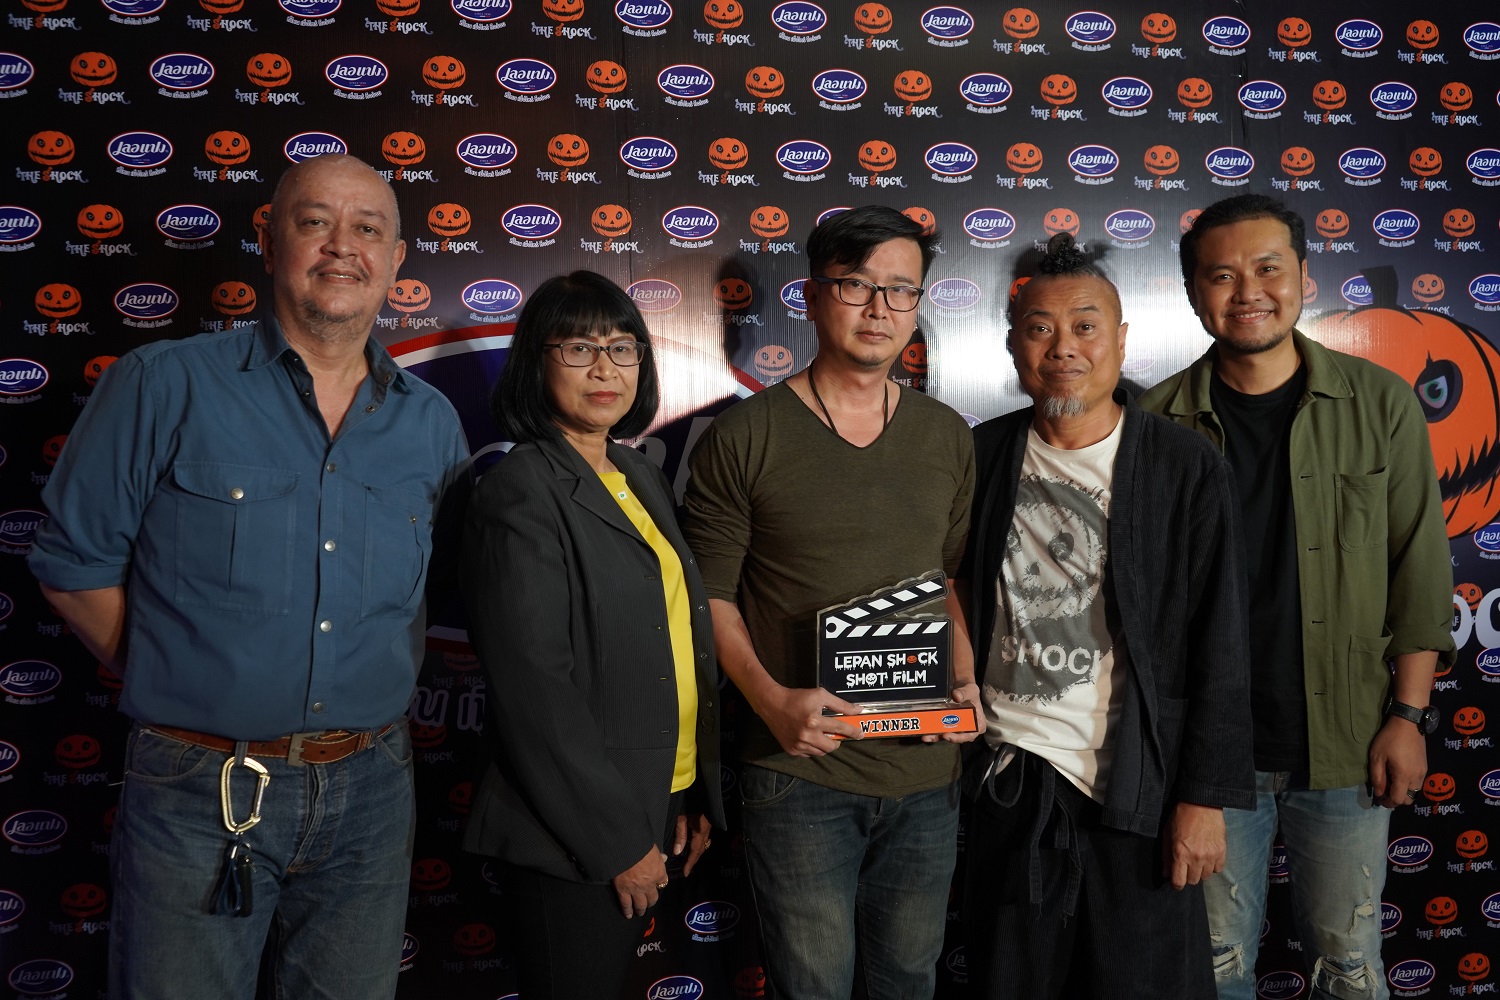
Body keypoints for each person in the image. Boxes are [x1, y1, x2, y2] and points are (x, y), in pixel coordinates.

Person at [27, 154, 470, 999]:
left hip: (373, 789)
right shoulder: (163, 384)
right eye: (315, 222)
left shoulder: (431, 422)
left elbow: (431, 591)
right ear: (269, 244)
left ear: (396, 260)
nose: (342, 247)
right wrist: (186, 680)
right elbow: (72, 569)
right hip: (197, 790)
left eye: (367, 229)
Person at [1140, 194, 1456, 1000]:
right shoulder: (1153, 423)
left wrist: (1409, 716)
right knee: (1213, 972)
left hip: (1348, 745)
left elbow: (1419, 571)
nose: (1248, 290)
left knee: (1350, 969)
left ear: (1305, 277)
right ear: (1194, 293)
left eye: (1268, 268)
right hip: (1207, 761)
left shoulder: (1380, 404)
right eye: (1222, 275)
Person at [683, 205, 978, 1000]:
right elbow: (709, 597)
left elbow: (946, 580)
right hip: (798, 774)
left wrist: (964, 681)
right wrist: (771, 701)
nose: (879, 309)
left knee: (908, 982)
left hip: (924, 774)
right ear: (814, 296)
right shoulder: (744, 436)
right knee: (812, 987)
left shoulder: (947, 436)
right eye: (857, 286)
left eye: (900, 290)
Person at [958, 233, 1254, 999]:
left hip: (1136, 793)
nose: (1064, 347)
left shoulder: (1184, 466)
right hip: (1010, 783)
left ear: (1121, 341)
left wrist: (1203, 798)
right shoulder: (978, 458)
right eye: (1040, 328)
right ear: (1013, 346)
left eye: (1085, 326)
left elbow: (1220, 641)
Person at [460, 270, 724, 1000]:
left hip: (657, 796)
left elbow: (672, 638)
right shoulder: (520, 489)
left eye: (621, 347)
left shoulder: (636, 472)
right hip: (575, 829)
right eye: (578, 348)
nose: (605, 368)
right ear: (536, 362)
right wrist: (619, 842)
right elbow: (535, 690)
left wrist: (690, 790)